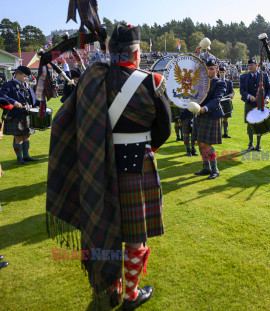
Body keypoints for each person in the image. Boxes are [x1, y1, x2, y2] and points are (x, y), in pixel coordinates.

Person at [46, 23, 171, 309]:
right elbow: (163, 131)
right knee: (135, 235)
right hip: (138, 166)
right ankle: (130, 294)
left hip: (99, 165)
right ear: (137, 53)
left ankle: (111, 286)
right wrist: (145, 149)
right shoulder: (153, 81)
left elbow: (70, 117)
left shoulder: (93, 78)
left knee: (105, 227)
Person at [192, 58, 226, 180]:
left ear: (216, 70)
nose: (209, 71)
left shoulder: (220, 83)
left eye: (211, 69)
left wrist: (204, 108)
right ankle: (206, 168)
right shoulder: (201, 82)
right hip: (200, 115)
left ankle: (215, 170)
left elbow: (216, 100)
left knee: (206, 144)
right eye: (207, 69)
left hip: (211, 115)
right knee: (200, 143)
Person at [0, 66, 38, 165]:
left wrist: (40, 103)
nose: (27, 78)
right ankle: (19, 158)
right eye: (25, 76)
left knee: (27, 135)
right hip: (15, 115)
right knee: (18, 137)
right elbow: (2, 96)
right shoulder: (8, 85)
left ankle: (26, 156)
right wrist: (14, 102)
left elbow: (31, 98)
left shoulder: (27, 85)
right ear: (17, 75)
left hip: (27, 114)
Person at [240, 58, 270, 151]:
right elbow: (242, 90)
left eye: (252, 65)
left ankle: (258, 145)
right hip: (249, 103)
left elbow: (269, 89)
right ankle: (251, 144)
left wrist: (267, 98)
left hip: (260, 103)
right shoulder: (243, 77)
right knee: (249, 124)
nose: (250, 67)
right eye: (249, 65)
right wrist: (249, 96)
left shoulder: (264, 76)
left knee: (260, 123)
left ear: (256, 65)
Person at [219, 65, 235, 138]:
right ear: (219, 73)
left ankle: (225, 133)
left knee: (226, 117)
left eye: (223, 72)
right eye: (220, 72)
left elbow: (232, 91)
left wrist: (232, 94)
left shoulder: (229, 82)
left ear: (225, 72)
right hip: (218, 102)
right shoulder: (217, 81)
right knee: (219, 118)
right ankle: (219, 133)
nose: (222, 73)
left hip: (226, 101)